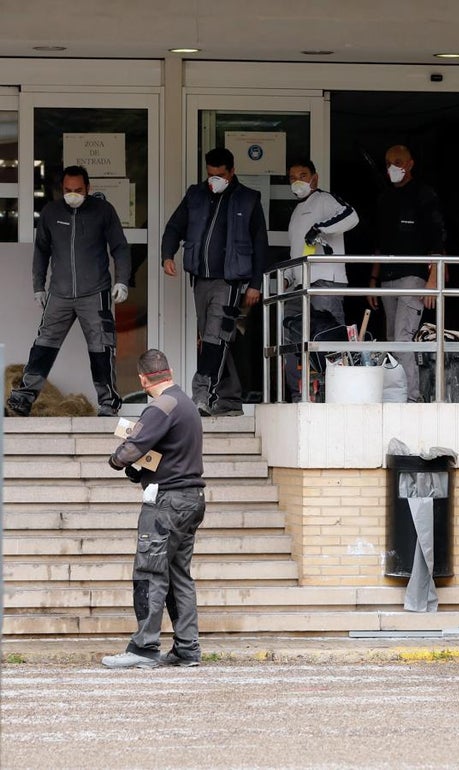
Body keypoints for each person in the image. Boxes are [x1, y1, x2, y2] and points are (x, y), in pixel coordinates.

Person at [103, 349, 206, 669]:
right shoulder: (185, 404)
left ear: (143, 379)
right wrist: (142, 468)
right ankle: (187, 648)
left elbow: (132, 448)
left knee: (149, 572)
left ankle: (143, 648)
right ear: (170, 371)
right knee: (179, 576)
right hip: (191, 499)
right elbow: (167, 450)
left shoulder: (159, 407)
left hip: (166, 503)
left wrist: (117, 460)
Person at [5, 165, 130, 418]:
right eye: (67, 190)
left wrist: (122, 280)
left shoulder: (103, 211)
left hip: (95, 293)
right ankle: (25, 398)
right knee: (43, 346)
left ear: (88, 188)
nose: (73, 194)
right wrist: (38, 287)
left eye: (78, 190)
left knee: (101, 348)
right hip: (59, 294)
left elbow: (120, 247)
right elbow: (41, 251)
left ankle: (108, 403)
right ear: (61, 189)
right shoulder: (51, 212)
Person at [161, 147, 268, 417]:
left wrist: (255, 284)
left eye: (219, 175)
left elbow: (260, 244)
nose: (213, 180)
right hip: (200, 279)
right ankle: (230, 400)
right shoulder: (196, 194)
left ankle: (202, 396)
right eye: (210, 175)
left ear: (231, 172)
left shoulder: (248, 199)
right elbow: (174, 226)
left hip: (230, 282)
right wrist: (167, 254)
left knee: (214, 337)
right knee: (215, 341)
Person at [369, 144, 445, 402]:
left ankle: (412, 398)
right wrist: (372, 280)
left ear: (410, 164)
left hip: (414, 276)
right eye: (389, 162)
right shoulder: (384, 198)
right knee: (392, 338)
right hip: (387, 278)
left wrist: (433, 279)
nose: (393, 168)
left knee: (403, 337)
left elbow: (438, 239)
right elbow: (379, 244)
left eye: (398, 162)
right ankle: (395, 396)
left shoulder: (424, 195)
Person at [283, 158, 359, 402]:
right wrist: (286, 277)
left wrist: (320, 228)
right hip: (299, 285)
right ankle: (301, 395)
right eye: (293, 177)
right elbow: (296, 250)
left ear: (314, 178)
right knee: (293, 340)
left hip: (325, 280)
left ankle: (333, 395)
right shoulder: (296, 211)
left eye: (303, 175)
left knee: (329, 339)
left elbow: (352, 216)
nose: (298, 181)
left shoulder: (325, 200)